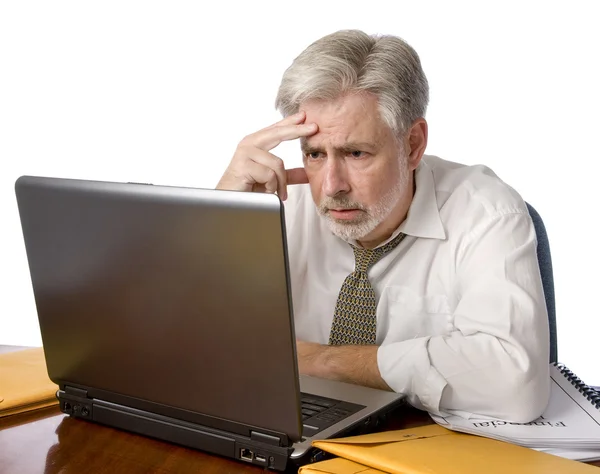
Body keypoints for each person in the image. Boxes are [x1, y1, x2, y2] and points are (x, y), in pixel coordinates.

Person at [216, 29, 550, 422]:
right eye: (314, 154)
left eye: (356, 153)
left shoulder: (486, 213)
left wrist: (324, 362)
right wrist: (222, 217)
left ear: (412, 144)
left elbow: (515, 382)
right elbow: (171, 343)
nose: (330, 186)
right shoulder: (272, 201)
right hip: (281, 429)